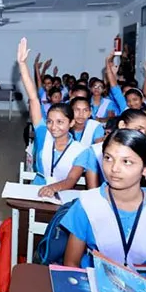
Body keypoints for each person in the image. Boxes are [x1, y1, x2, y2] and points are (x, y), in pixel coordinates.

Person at [62, 129, 146, 287]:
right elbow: (71, 264)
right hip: (93, 286)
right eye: (108, 158)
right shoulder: (87, 203)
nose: (114, 169)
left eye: (127, 162)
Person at [17, 38, 90, 197]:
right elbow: (34, 98)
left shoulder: (80, 151)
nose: (53, 126)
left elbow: (71, 180)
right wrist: (23, 65)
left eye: (60, 122)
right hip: (37, 188)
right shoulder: (44, 133)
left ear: (71, 122)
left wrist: (53, 188)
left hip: (62, 193)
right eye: (49, 121)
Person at [84, 109, 146, 193]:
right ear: (122, 125)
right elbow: (92, 192)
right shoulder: (96, 151)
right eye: (139, 129)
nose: (142, 135)